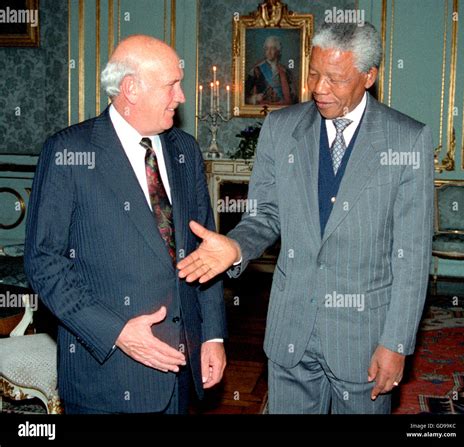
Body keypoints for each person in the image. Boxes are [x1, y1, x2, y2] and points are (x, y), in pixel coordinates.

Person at [177, 22, 434, 414]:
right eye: (314, 72)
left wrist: (396, 343)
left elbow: (412, 255)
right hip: (290, 330)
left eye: (335, 78)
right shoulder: (281, 129)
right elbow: (265, 214)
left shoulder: (406, 140)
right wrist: (236, 245)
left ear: (369, 76)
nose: (318, 88)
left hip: (363, 340)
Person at [24, 35, 227, 414]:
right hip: (108, 378)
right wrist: (116, 333)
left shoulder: (185, 149)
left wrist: (212, 335)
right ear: (131, 89)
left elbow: (207, 251)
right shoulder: (70, 151)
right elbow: (44, 262)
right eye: (172, 85)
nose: (181, 97)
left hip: (183, 372)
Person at [245, 35, 296, 106]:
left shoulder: (285, 71)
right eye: (267, 49)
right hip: (262, 109)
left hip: (281, 110)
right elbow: (243, 95)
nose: (269, 52)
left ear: (278, 51)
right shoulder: (256, 70)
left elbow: (292, 97)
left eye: (272, 49)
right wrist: (255, 98)